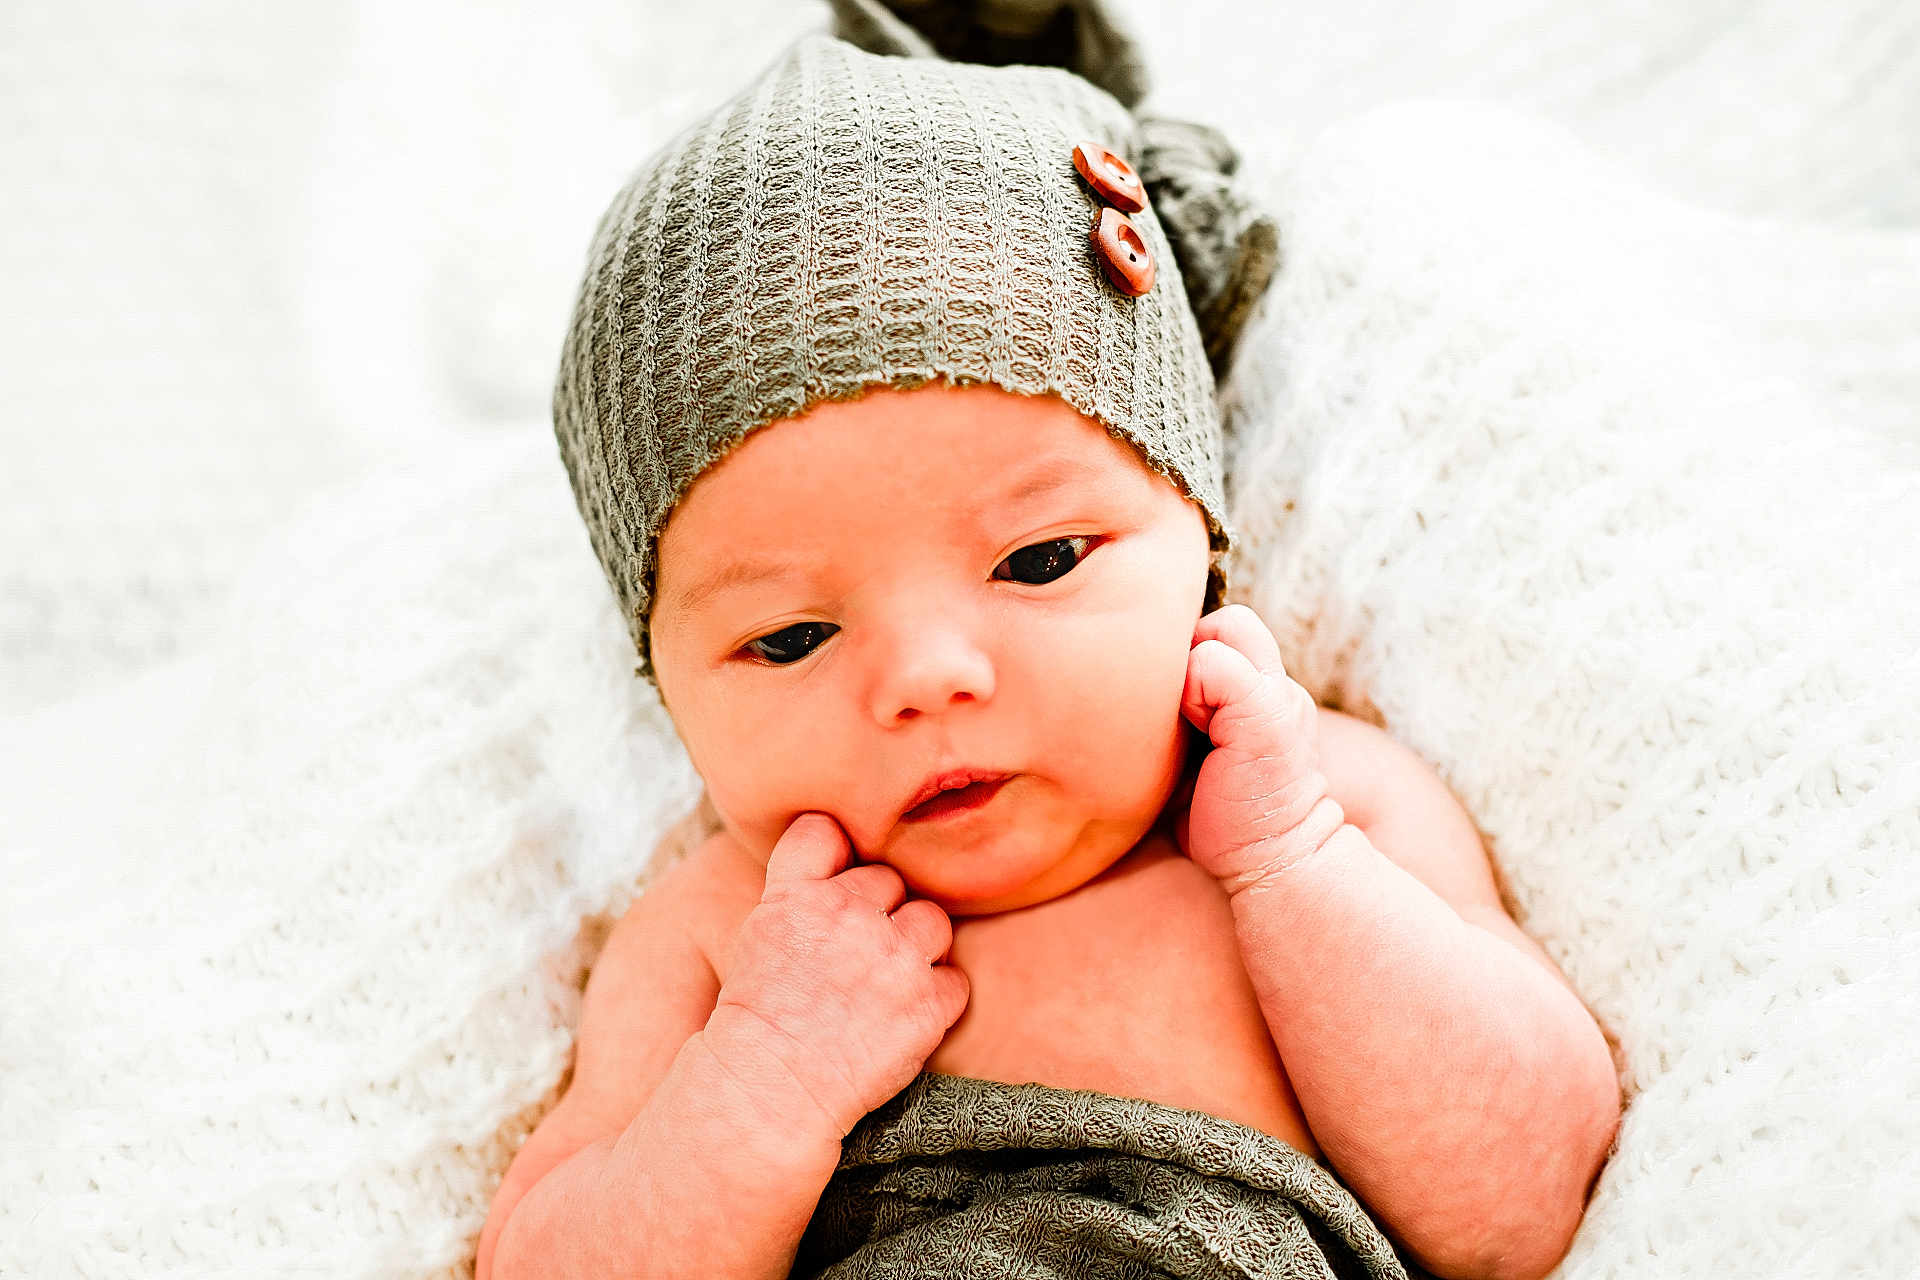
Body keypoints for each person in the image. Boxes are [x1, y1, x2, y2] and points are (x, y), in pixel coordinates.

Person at [477, 14, 1620, 1280]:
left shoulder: (1326, 809)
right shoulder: (723, 939)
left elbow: (1523, 1208)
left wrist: (1297, 870)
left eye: (1038, 560)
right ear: (665, 688)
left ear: (1201, 539)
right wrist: (763, 1075)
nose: (925, 676)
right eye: (790, 634)